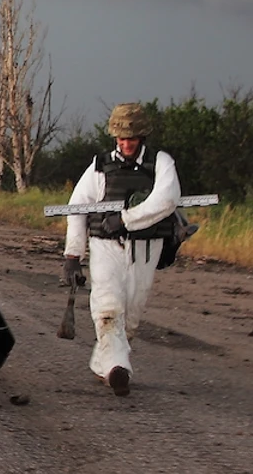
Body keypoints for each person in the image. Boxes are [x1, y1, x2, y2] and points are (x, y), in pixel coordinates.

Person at [62, 102, 179, 397]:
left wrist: (125, 219)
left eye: (132, 137)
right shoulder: (99, 165)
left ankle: (105, 363)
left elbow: (166, 200)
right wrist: (73, 256)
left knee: (132, 314)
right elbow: (77, 207)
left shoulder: (161, 162)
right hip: (105, 246)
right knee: (108, 307)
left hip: (145, 249)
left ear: (142, 137)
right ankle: (118, 369)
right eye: (121, 138)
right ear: (114, 137)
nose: (126, 143)